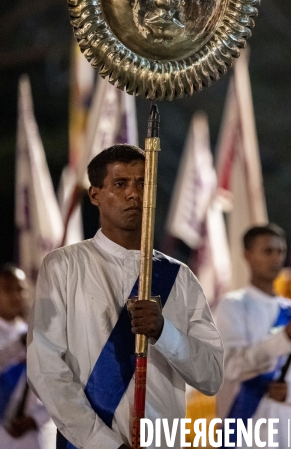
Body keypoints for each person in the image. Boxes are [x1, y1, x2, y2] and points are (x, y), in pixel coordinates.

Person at [27, 144, 224, 449]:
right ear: (95, 195)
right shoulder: (64, 266)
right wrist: (104, 444)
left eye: (143, 183)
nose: (135, 194)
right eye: (120, 184)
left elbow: (211, 377)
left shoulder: (180, 277)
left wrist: (164, 332)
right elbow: (46, 368)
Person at [214, 223, 291, 449]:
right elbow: (230, 365)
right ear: (247, 255)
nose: (276, 258)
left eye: (280, 251)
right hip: (245, 428)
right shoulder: (232, 306)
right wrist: (285, 338)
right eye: (267, 251)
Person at [0, 263, 54, 449]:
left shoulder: (37, 334)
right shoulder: (24, 338)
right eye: (7, 289)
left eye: (21, 289)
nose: (16, 296)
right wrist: (19, 344)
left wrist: (35, 419)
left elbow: (55, 383)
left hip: (31, 434)